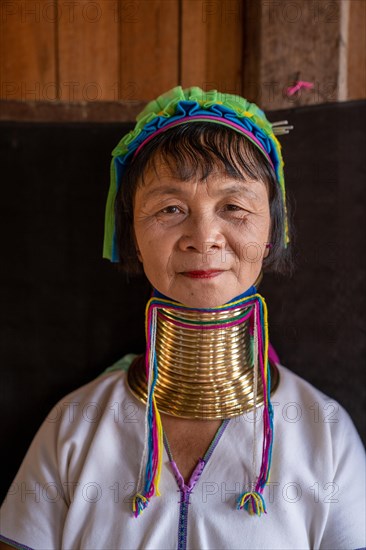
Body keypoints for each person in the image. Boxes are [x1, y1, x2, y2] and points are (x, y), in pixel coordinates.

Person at [0, 86, 364, 550]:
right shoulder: (74, 427)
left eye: (234, 207)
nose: (204, 236)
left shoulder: (325, 435)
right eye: (170, 209)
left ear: (273, 229)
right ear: (130, 234)